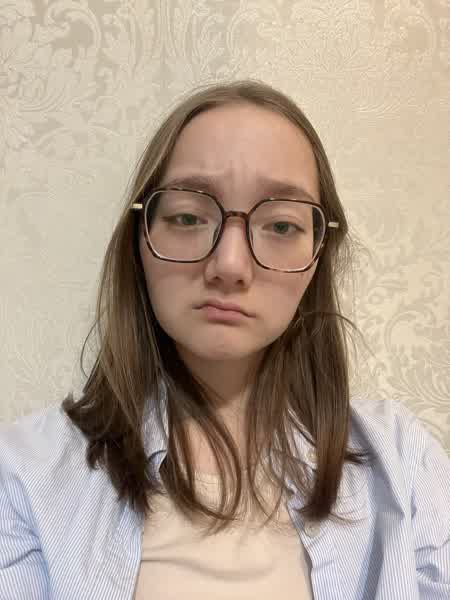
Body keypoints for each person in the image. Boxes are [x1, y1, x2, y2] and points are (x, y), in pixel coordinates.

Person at [0, 80, 449, 600]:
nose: (230, 265)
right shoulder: (26, 475)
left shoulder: (402, 464)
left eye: (281, 226)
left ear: (318, 256)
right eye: (188, 217)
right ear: (139, 240)